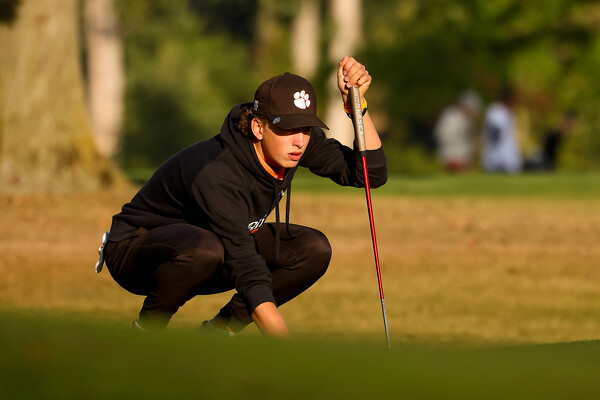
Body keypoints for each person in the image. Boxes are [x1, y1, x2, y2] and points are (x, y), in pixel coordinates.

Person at [100, 56, 387, 337]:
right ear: (258, 127)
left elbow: (370, 174)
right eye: (288, 128)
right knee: (206, 250)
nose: (299, 140)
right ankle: (146, 334)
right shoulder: (218, 172)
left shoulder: (294, 145)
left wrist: (357, 107)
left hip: (214, 248)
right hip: (137, 251)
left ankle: (218, 333)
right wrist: (289, 353)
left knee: (313, 249)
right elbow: (249, 272)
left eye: (305, 128)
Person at [433, 90, 482, 172]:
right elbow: (443, 136)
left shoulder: (467, 119)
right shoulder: (451, 117)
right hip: (452, 156)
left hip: (462, 156)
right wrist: (454, 157)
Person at [481, 88, 522, 174]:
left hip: (506, 156)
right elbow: (494, 135)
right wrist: (497, 157)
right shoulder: (497, 112)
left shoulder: (506, 112)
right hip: (500, 158)